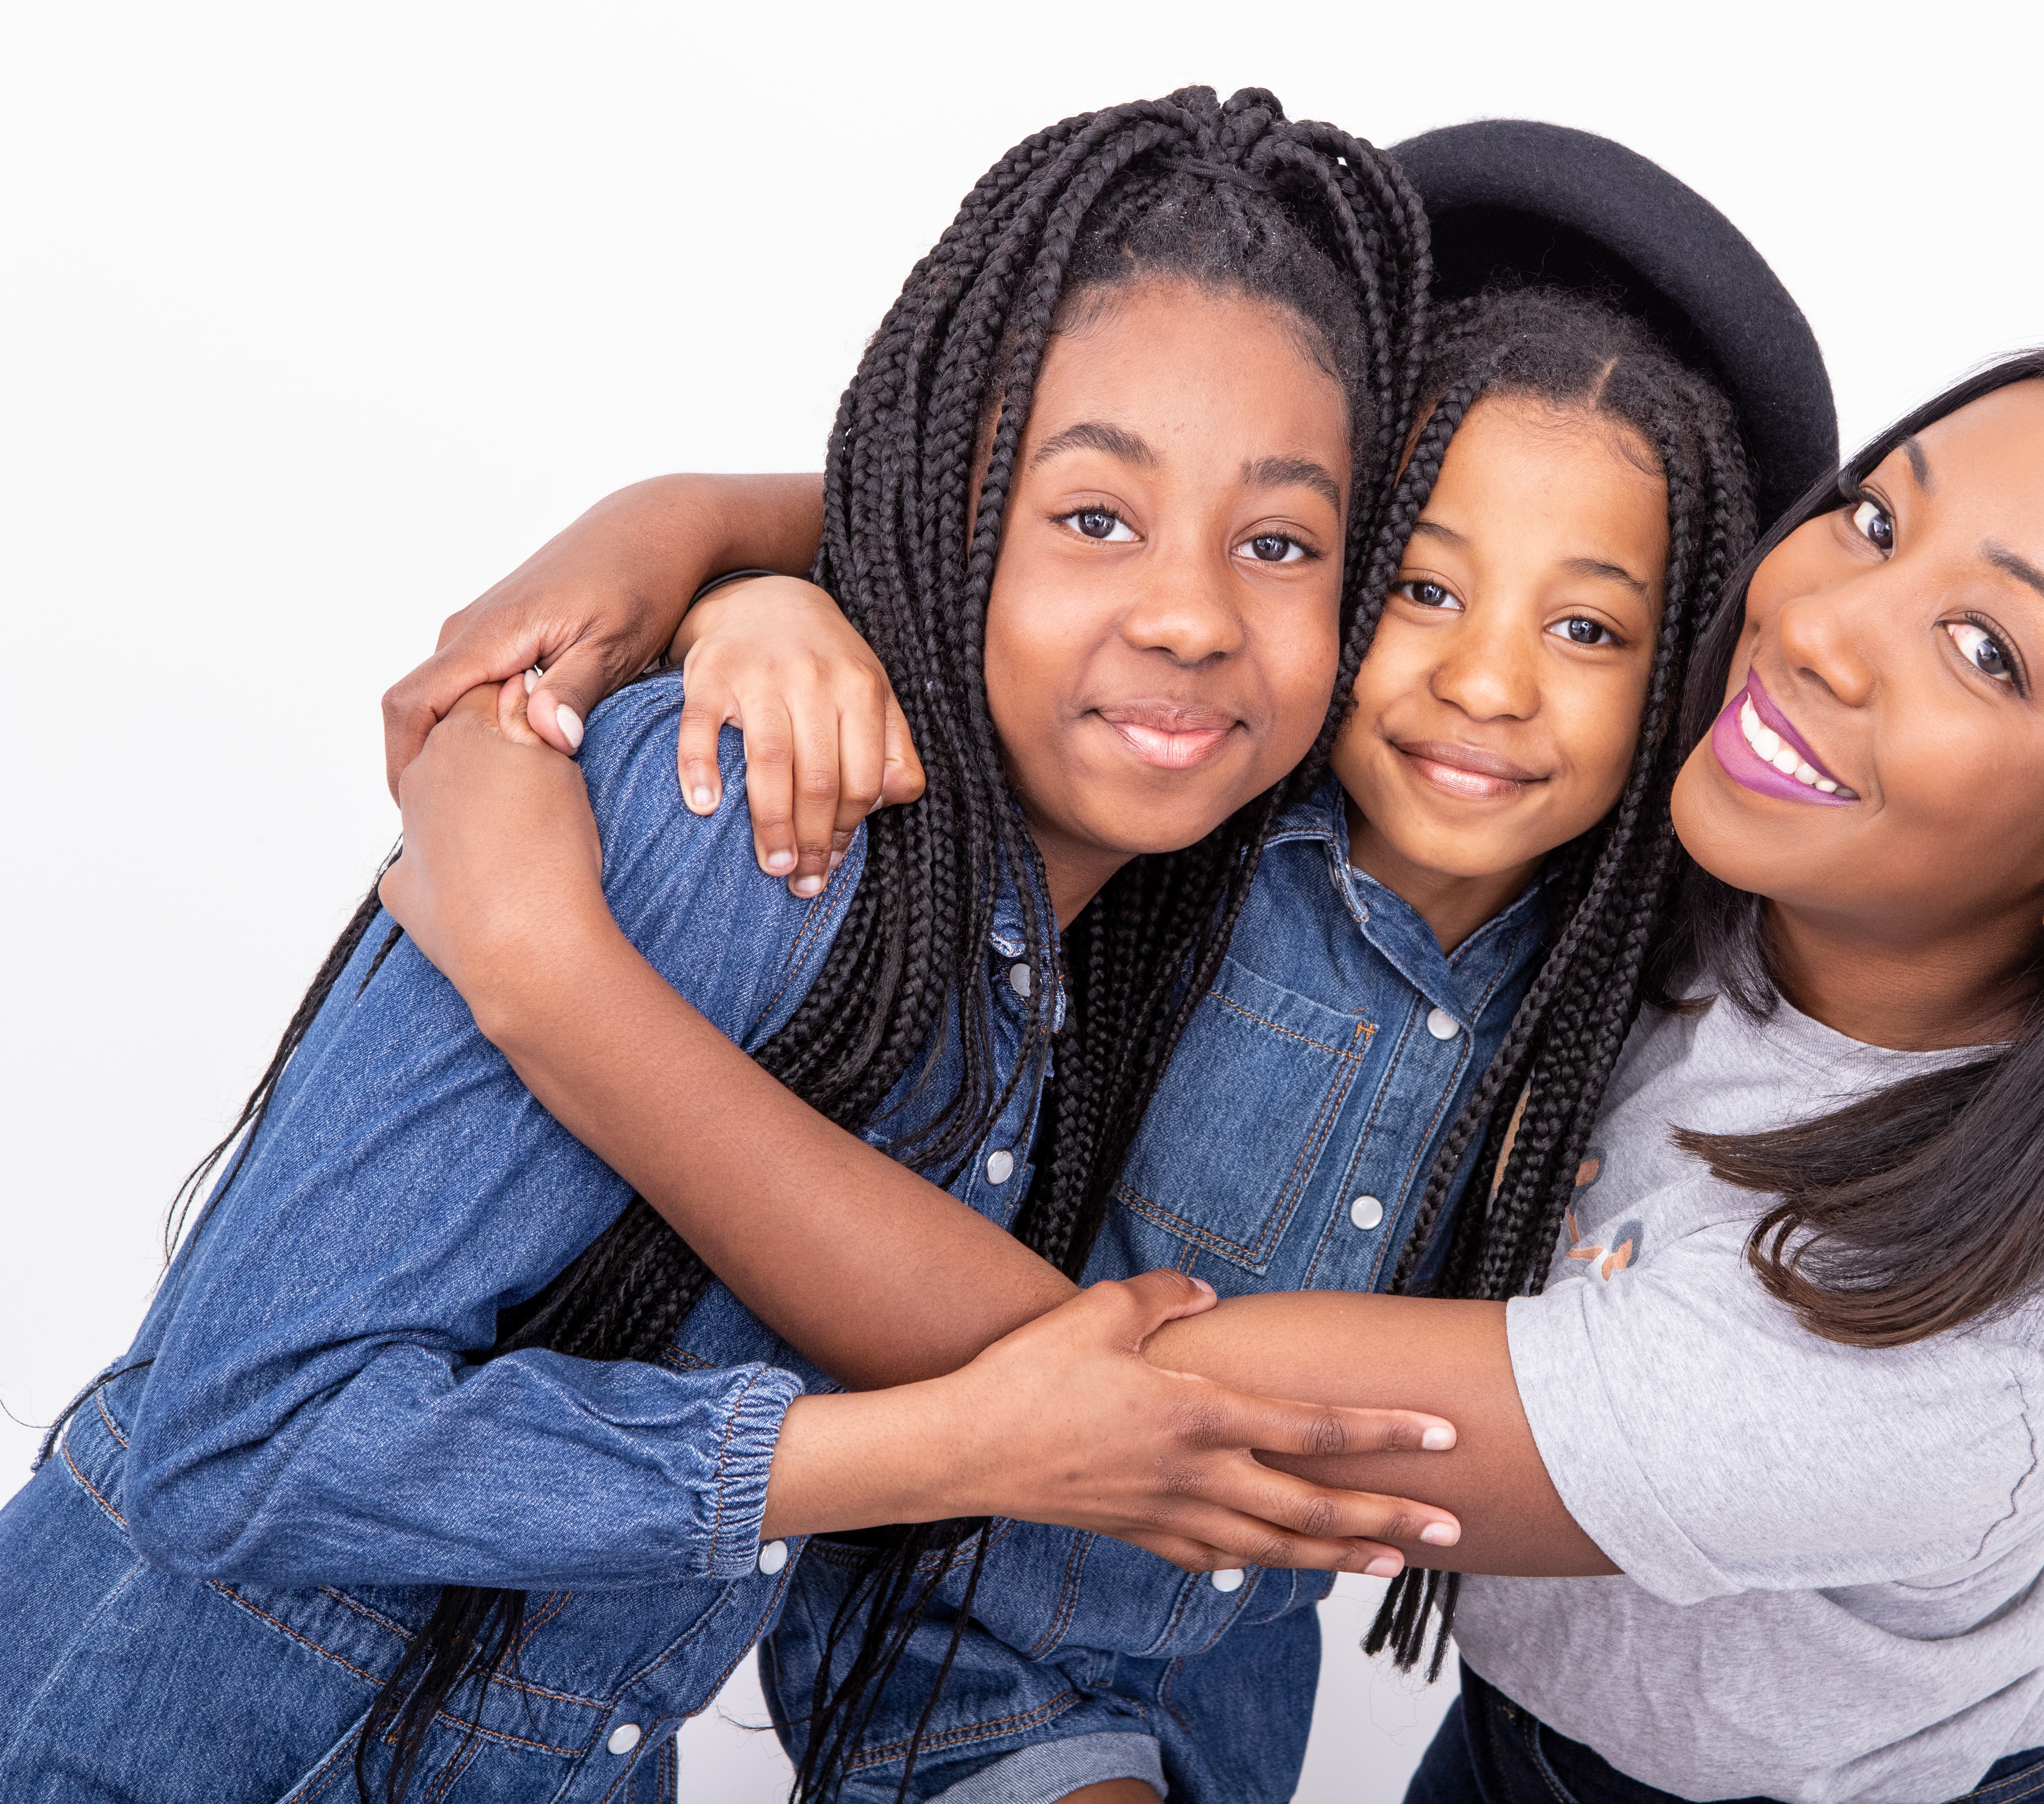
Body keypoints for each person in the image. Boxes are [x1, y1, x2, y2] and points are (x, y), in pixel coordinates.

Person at [383, 337, 2044, 1804]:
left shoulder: (1911, 1370)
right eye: (1876, 519)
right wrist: (710, 536)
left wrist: (557, 987)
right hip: (1532, 1749)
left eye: (1993, 648)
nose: (1823, 625)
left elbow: (1148, 1404)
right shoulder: (1694, 839)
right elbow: (1182, 575)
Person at [0, 88, 1470, 1804]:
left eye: (1279, 543)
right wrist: (937, 1447)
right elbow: (238, 1442)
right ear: (958, 501)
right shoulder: (749, 814)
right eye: (1096, 519)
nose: (1195, 613)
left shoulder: (1102, 948)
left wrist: (700, 526)